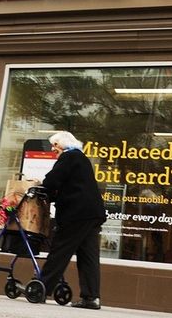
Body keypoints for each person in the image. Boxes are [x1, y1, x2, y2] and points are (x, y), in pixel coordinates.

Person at [40, 131, 106, 310]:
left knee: (60, 250)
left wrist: (40, 187)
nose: (53, 149)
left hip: (77, 214)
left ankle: (41, 288)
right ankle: (91, 298)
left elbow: (52, 181)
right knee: (88, 256)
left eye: (55, 145)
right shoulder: (81, 159)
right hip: (92, 214)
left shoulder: (69, 157)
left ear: (64, 144)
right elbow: (72, 185)